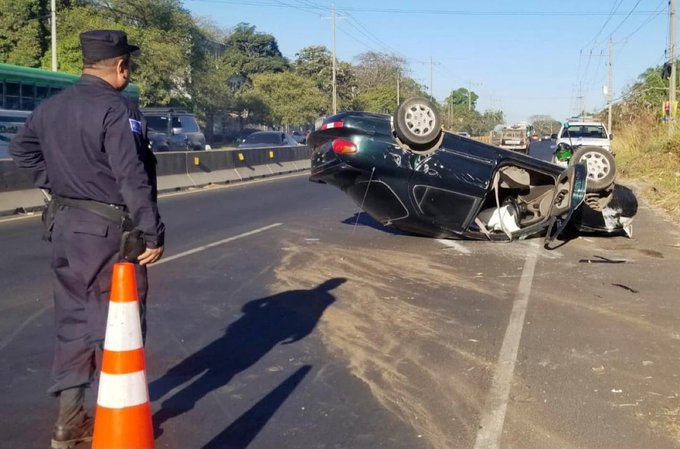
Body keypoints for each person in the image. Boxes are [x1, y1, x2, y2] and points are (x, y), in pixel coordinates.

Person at [9, 30, 165, 449]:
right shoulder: (117, 109)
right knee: (119, 321)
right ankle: (119, 412)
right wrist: (151, 231)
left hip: (64, 226)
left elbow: (22, 152)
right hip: (108, 232)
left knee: (72, 319)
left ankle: (69, 420)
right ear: (120, 67)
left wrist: (59, 184)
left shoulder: (50, 108)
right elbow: (132, 175)